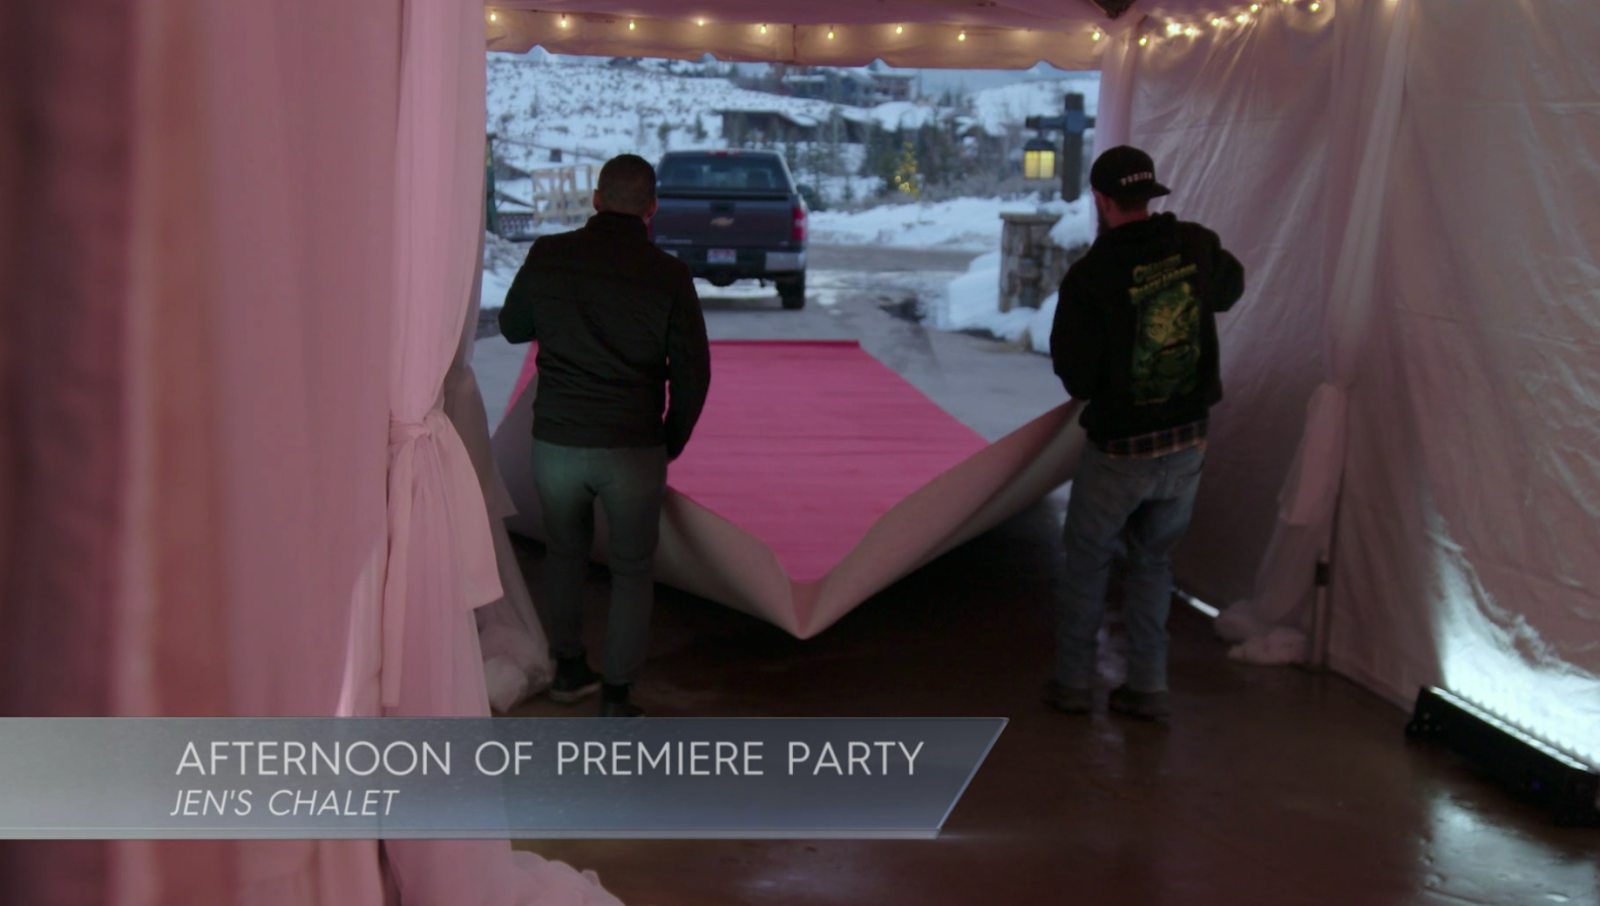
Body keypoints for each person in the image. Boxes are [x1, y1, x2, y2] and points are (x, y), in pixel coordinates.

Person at [499, 153, 712, 718]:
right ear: (652, 208)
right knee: (631, 569)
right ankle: (618, 696)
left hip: (558, 442)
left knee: (564, 555)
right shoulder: (669, 274)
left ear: (595, 199)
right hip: (632, 444)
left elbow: (514, 327)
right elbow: (694, 372)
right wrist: (670, 439)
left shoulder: (549, 255)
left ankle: (568, 670)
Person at [1044, 145, 1245, 721]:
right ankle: (1148, 686)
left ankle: (1073, 684)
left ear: (1100, 200)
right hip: (1187, 442)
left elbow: (1078, 380)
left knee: (1087, 564)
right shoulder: (1196, 244)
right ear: (1151, 193)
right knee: (1154, 563)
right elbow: (1229, 290)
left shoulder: (1090, 276)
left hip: (1120, 450)